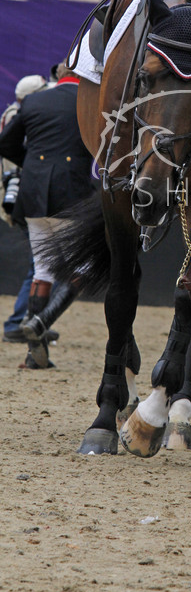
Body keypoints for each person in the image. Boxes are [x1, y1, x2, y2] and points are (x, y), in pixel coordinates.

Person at [0, 62, 94, 369]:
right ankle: (43, 320)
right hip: (70, 191)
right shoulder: (89, 101)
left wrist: (34, 167)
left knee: (43, 270)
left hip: (34, 192)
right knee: (84, 267)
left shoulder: (35, 99)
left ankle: (34, 353)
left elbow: (6, 144)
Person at [0, 74, 51, 342]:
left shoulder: (13, 112)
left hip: (17, 193)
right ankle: (19, 322)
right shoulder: (24, 115)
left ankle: (36, 317)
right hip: (22, 194)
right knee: (38, 265)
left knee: (40, 263)